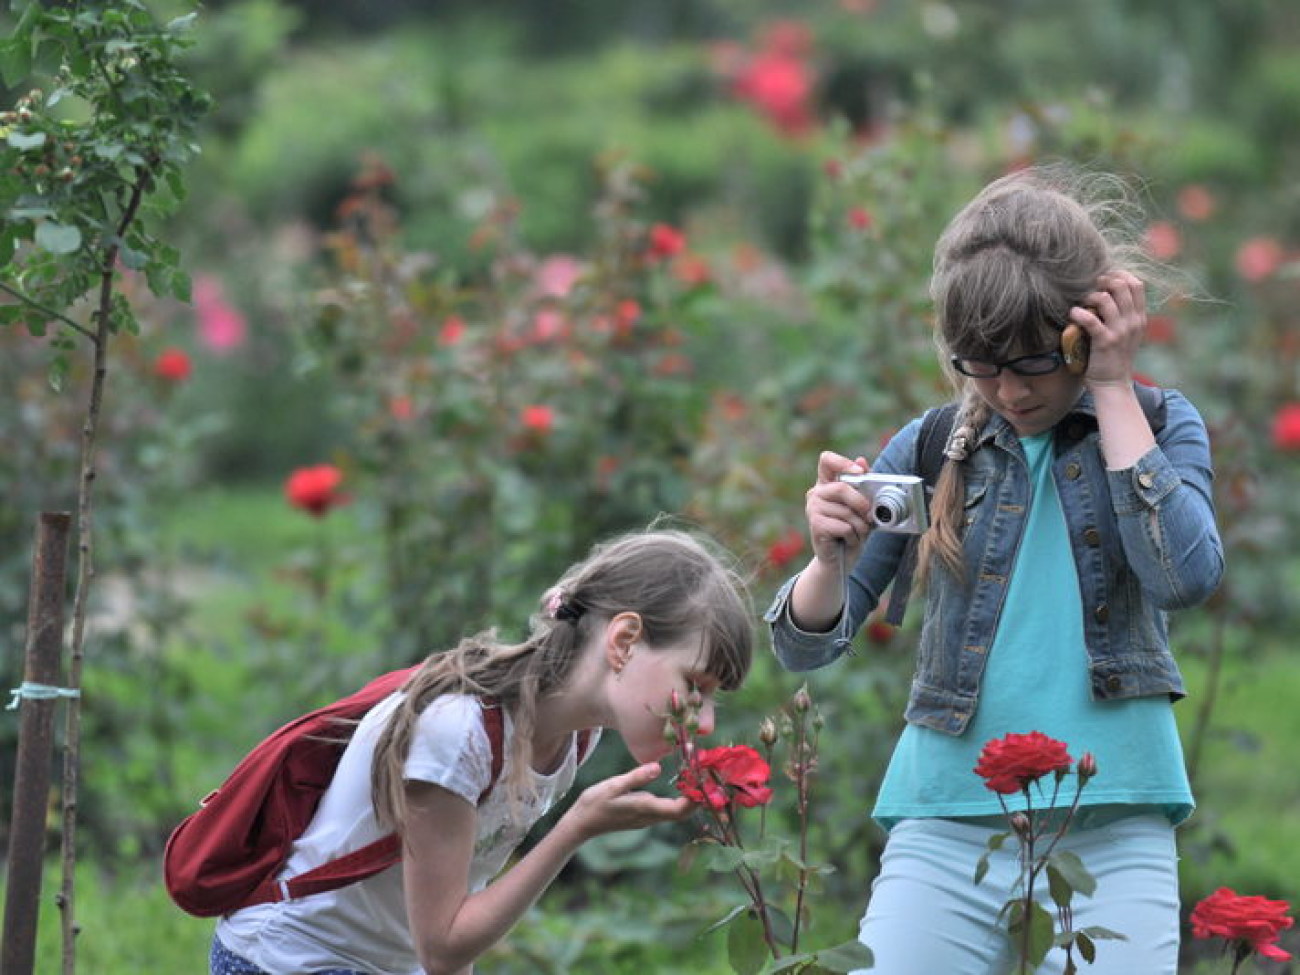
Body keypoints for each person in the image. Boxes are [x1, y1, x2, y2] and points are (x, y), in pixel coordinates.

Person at [765, 163, 1224, 974]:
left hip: (1114, 817)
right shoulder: (935, 442)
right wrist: (825, 562)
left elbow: (1185, 576)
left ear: (1087, 328)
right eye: (981, 363)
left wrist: (1112, 386)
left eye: (1033, 363)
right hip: (945, 817)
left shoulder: (1157, 421)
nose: (1007, 389)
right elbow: (806, 647)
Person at [212, 527, 754, 975]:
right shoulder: (459, 733)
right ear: (623, 641)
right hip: (287, 959)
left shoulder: (573, 737)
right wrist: (575, 830)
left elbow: (458, 906)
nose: (703, 721)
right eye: (696, 685)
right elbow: (444, 948)